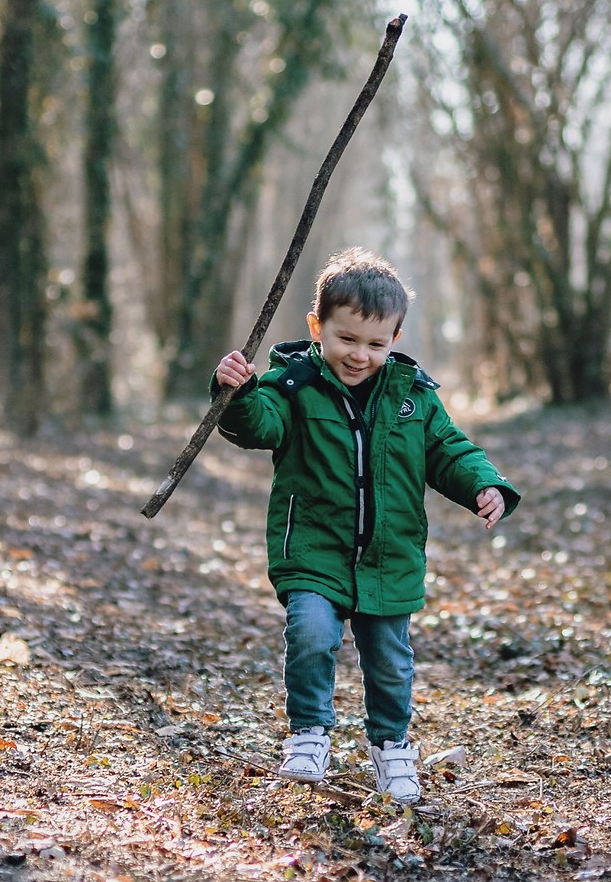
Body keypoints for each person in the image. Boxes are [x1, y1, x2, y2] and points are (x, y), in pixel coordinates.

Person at [213, 248, 518, 805]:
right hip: (313, 548)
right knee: (310, 635)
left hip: (388, 555)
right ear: (317, 328)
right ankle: (308, 735)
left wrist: (484, 484)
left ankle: (392, 748)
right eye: (346, 339)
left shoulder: (412, 398)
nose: (359, 355)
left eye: (376, 344)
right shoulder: (291, 386)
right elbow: (257, 425)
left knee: (390, 661)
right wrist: (237, 392)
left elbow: (448, 450)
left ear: (396, 339)